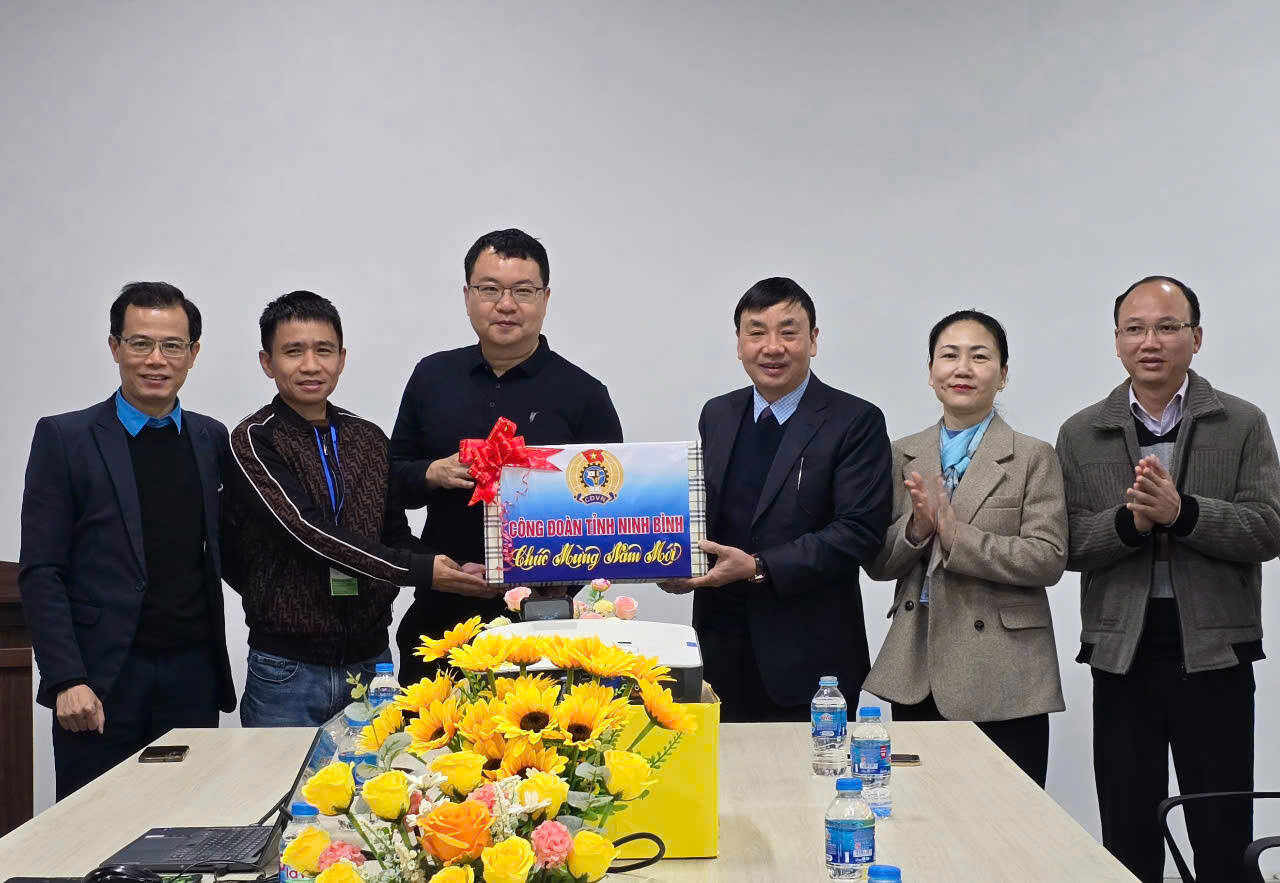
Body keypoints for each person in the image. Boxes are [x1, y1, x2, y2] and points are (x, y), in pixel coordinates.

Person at [1056, 276, 1280, 883]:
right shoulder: (1081, 432)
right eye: (1135, 328)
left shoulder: (1241, 422)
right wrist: (1131, 523)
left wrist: (1184, 514)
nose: (1149, 341)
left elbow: (1269, 529)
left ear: (1196, 337)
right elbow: (1068, 544)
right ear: (1118, 342)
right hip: (1121, 655)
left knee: (1221, 830)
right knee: (1126, 832)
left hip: (1216, 654)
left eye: (1167, 327)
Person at [222, 291, 488, 726]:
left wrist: (452, 570)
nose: (311, 365)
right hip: (286, 671)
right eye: (293, 351)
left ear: (342, 359)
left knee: (375, 790)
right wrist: (420, 572)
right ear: (267, 362)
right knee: (281, 794)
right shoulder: (254, 439)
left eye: (324, 350)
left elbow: (393, 533)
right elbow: (310, 534)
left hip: (372, 662)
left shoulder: (367, 437)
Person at [19, 282, 235, 799]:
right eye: (140, 344)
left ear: (193, 354)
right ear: (115, 347)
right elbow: (42, 570)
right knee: (92, 838)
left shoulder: (211, 438)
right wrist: (66, 678)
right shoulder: (65, 438)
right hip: (99, 683)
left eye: (172, 346)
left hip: (191, 676)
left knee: (185, 836)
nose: (156, 360)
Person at [390, 229, 623, 682]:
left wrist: (554, 578)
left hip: (546, 618)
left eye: (523, 290)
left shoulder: (584, 395)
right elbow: (392, 483)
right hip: (444, 609)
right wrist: (431, 474)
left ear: (546, 297)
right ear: (467, 295)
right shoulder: (431, 377)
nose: (506, 304)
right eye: (490, 289)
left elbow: (610, 512)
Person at [658, 277, 892, 722]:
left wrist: (760, 567)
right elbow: (705, 513)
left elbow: (859, 532)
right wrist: (668, 559)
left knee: (807, 787)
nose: (772, 347)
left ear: (814, 340)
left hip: (810, 658)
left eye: (788, 332)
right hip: (720, 648)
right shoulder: (718, 413)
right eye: (757, 332)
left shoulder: (854, 420)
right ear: (739, 344)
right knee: (722, 786)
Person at [862, 310, 1067, 787]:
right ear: (930, 371)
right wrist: (916, 529)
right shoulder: (901, 453)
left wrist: (958, 539)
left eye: (980, 356)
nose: (963, 368)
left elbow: (1048, 556)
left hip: (1005, 669)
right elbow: (877, 563)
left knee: (1009, 821)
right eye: (949, 355)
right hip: (918, 665)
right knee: (921, 821)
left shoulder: (1032, 455)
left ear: (1003, 374)